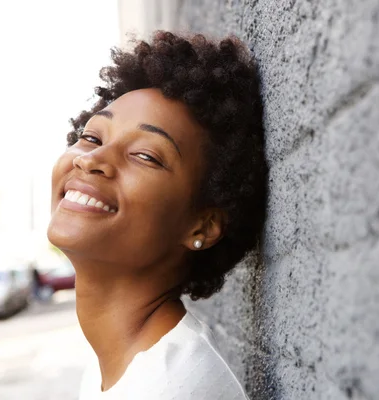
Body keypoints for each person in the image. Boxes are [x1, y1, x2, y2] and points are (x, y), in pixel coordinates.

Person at [47, 31, 267, 399]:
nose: (91, 160)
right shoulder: (125, 367)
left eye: (146, 156)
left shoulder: (168, 387)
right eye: (92, 137)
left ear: (203, 225)